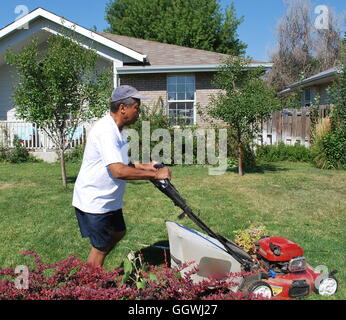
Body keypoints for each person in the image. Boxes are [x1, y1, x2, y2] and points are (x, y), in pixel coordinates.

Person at [72, 85, 171, 267]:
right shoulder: (106, 130)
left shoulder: (120, 130)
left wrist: (147, 166)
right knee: (100, 247)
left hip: (109, 200)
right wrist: (155, 175)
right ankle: (89, 285)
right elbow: (118, 171)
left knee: (119, 232)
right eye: (137, 108)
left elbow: (124, 163)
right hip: (95, 200)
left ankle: (94, 269)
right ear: (122, 108)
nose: (138, 113)